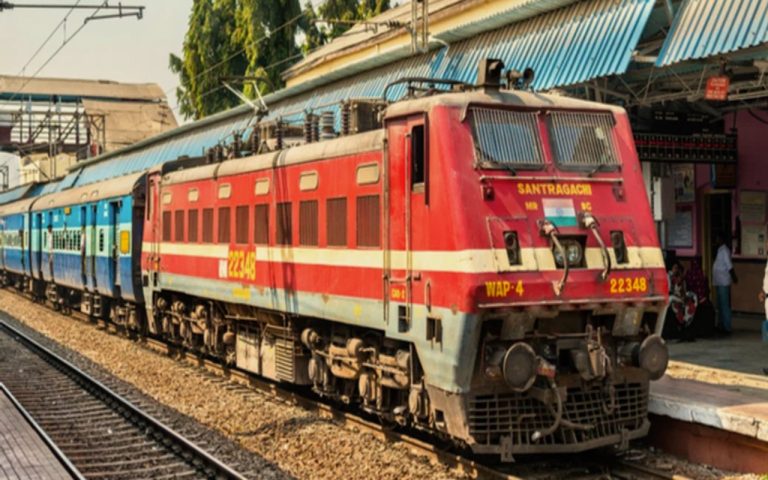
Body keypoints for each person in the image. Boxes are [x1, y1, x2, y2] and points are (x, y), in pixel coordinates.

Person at [712, 233, 737, 334]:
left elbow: (729, 266)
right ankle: (721, 325)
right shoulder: (719, 250)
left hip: (723, 281)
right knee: (720, 305)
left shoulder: (725, 251)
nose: (716, 240)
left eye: (717, 238)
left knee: (725, 305)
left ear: (721, 239)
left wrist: (734, 277)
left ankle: (727, 327)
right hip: (718, 281)